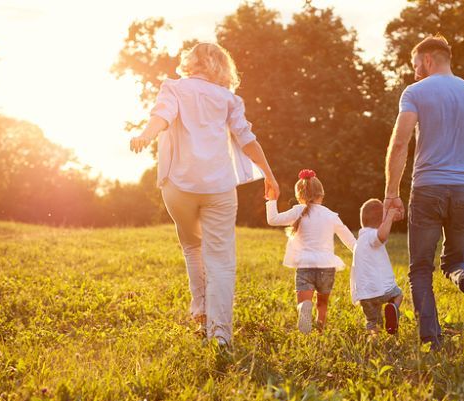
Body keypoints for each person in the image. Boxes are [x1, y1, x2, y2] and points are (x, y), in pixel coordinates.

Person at [129, 42, 280, 347]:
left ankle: (200, 310)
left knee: (192, 246)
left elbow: (163, 115)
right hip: (219, 188)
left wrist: (147, 134)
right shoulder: (229, 99)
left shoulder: (174, 87)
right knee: (221, 260)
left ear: (190, 63)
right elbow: (246, 138)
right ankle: (221, 335)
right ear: (222, 67)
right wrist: (269, 174)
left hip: (179, 186)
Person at [383, 35, 464, 350]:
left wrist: (391, 193)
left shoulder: (415, 92)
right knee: (455, 260)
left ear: (427, 60)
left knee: (420, 268)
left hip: (427, 189)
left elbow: (400, 143)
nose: (413, 74)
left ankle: (431, 339)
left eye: (415, 66)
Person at [266, 169, 356, 333]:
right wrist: (362, 252)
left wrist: (271, 200)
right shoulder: (330, 215)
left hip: (305, 264)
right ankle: (320, 328)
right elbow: (349, 240)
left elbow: (272, 220)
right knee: (322, 304)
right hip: (326, 266)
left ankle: (304, 320)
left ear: (300, 196)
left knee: (304, 302)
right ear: (321, 194)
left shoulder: (297, 211)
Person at [351, 199, 404, 335]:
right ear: (381, 222)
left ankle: (374, 342)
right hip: (383, 290)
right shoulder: (371, 235)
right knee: (398, 294)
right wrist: (390, 216)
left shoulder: (359, 241)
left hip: (364, 295)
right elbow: (382, 235)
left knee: (372, 322)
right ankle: (393, 307)